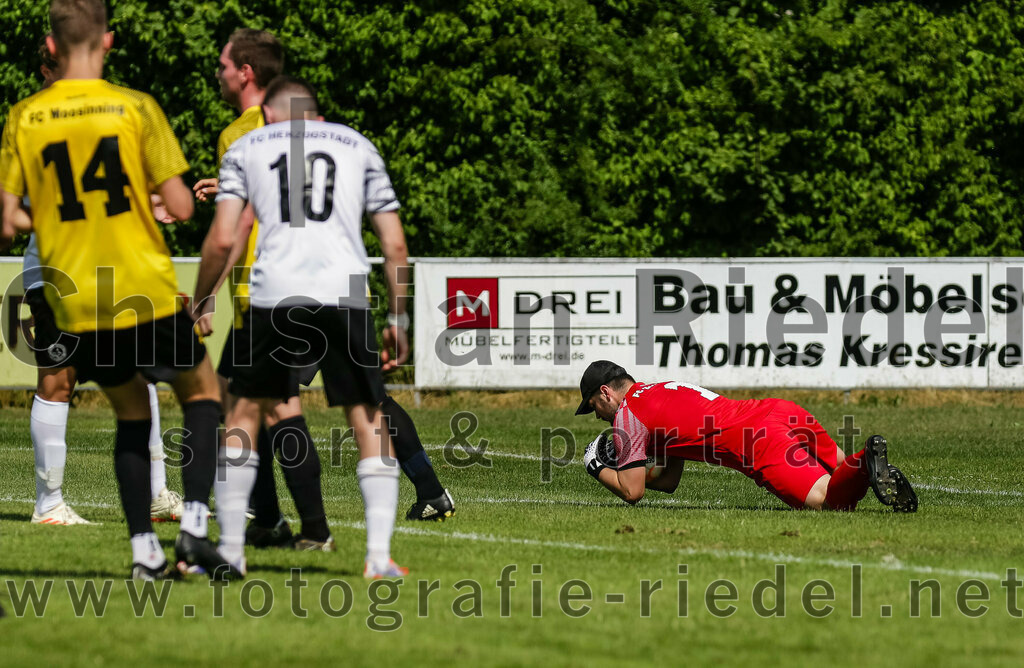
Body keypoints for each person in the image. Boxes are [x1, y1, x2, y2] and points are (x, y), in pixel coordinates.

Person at [0, 0, 229, 580]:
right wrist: (161, 205)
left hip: (69, 284)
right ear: (108, 42)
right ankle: (194, 527)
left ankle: (145, 541)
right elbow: (177, 205)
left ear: (51, 49)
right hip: (135, 279)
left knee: (131, 402)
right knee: (200, 393)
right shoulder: (134, 107)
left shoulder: (25, 117)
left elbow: (10, 218)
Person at [195, 29, 453, 537]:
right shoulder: (339, 137)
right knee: (366, 400)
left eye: (224, 65)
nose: (220, 73)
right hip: (341, 285)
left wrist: (208, 295)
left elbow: (240, 225)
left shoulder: (246, 134)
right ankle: (421, 490)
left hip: (270, 290)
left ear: (248, 76)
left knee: (254, 406)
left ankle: (283, 523)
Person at [20, 34, 182, 527]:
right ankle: (48, 504)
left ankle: (156, 494)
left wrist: (149, 207)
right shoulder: (35, 122)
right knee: (59, 380)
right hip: (58, 271)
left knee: (144, 375)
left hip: (111, 270)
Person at [575, 360, 918, 512]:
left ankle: (866, 461)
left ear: (606, 393)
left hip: (757, 440)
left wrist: (596, 466)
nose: (598, 418)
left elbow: (631, 492)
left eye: (594, 407)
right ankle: (863, 462)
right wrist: (633, 467)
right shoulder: (658, 388)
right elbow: (667, 481)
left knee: (827, 501)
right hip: (779, 410)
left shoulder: (626, 416)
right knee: (837, 465)